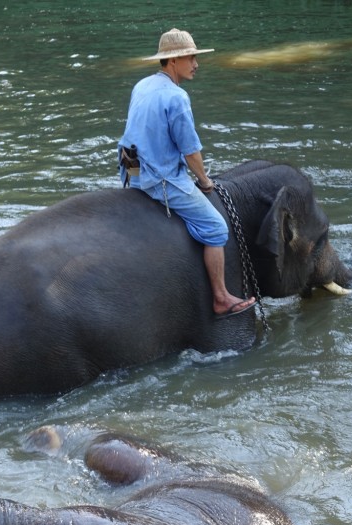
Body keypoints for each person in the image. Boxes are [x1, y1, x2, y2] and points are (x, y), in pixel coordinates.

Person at [119, 28, 256, 319]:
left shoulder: (142, 85)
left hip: (130, 170)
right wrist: (205, 181)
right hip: (160, 178)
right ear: (172, 61)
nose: (196, 64)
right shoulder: (177, 97)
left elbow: (132, 135)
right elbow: (190, 151)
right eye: (190, 58)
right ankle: (220, 298)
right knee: (216, 229)